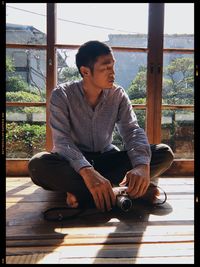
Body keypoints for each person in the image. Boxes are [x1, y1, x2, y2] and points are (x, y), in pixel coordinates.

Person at [28, 40, 174, 212]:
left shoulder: (118, 95)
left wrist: (142, 167)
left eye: (113, 66)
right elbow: (62, 141)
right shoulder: (62, 95)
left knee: (163, 153)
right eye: (105, 68)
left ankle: (86, 193)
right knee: (38, 165)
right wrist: (87, 171)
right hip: (73, 165)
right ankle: (122, 191)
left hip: (107, 159)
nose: (112, 73)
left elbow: (132, 131)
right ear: (85, 71)